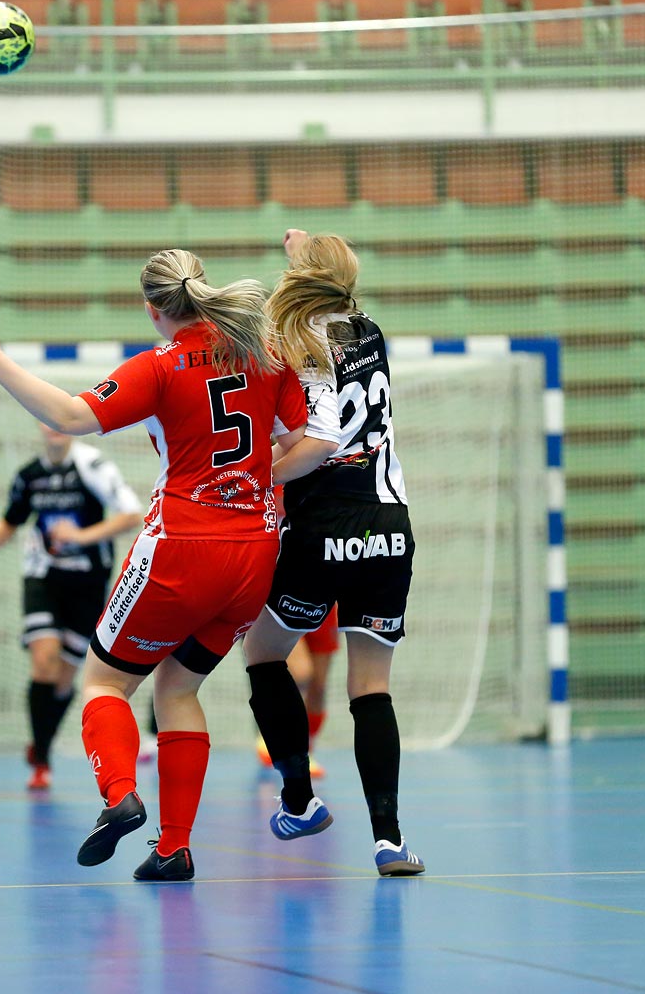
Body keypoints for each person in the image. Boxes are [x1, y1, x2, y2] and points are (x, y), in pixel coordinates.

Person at [0, 248, 336, 881]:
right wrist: (258, 481)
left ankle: (119, 795)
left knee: (104, 684)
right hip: (254, 555)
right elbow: (315, 447)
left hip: (180, 549)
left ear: (153, 309)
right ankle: (174, 848)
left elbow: (70, 415)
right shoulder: (264, 355)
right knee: (179, 688)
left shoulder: (158, 366)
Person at [243, 229, 426, 877]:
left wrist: (258, 473)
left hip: (324, 524)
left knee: (264, 655)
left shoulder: (292, 341)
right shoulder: (369, 330)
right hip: (388, 525)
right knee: (371, 687)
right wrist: (311, 250)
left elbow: (318, 444)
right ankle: (390, 841)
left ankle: (299, 800)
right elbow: (328, 282)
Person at [0, 422, 143, 791]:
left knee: (63, 681)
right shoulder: (30, 475)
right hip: (43, 578)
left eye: (60, 421)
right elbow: (10, 521)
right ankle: (41, 760)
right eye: (45, 420)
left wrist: (81, 537)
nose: (53, 427)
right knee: (44, 659)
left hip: (88, 584)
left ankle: (40, 745)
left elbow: (131, 515)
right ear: (39, 425)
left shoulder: (92, 466)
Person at [256, 605, 338, 778]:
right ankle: (273, 734)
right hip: (289, 598)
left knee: (319, 687)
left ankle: (308, 749)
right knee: (301, 673)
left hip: (326, 603)